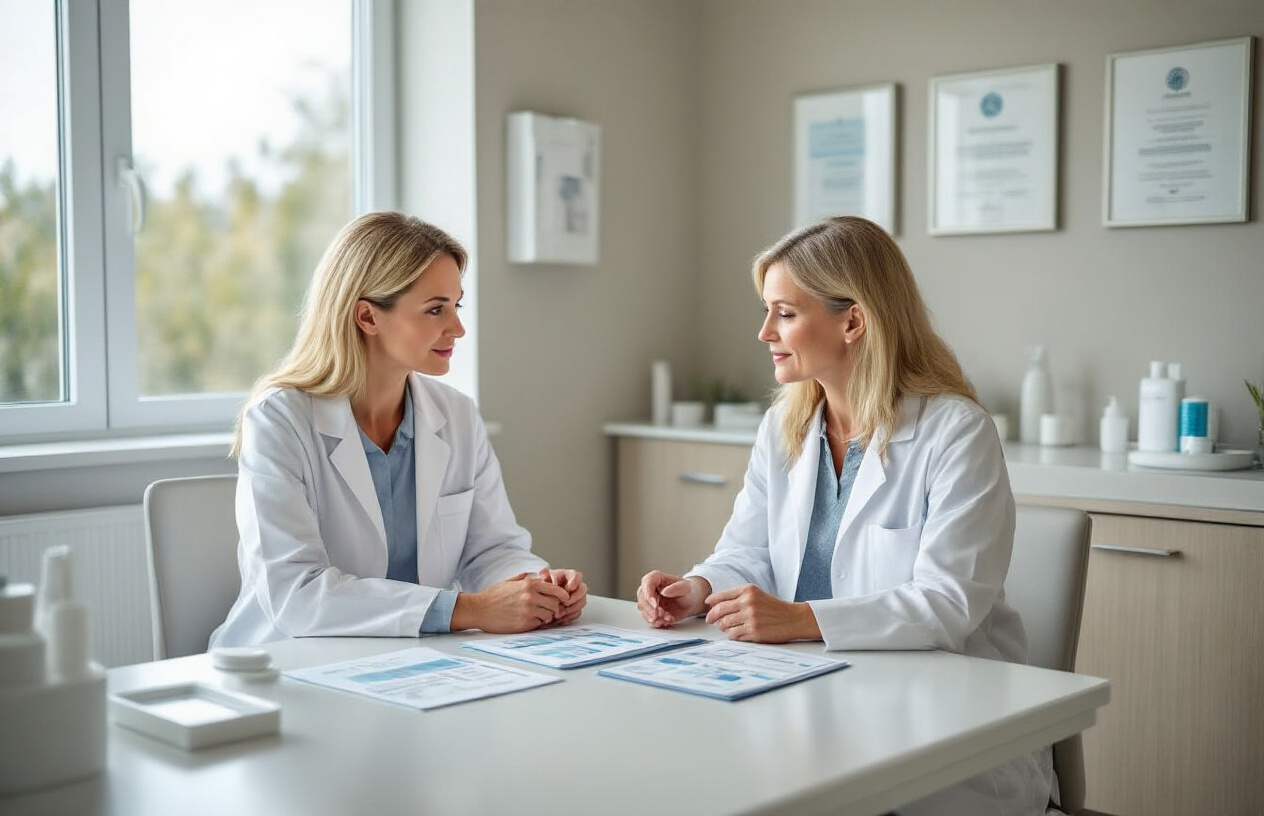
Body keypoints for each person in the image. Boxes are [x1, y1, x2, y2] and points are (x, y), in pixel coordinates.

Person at [635, 216, 1052, 816]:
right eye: (766, 311)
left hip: (932, 721)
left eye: (784, 313)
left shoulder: (955, 432)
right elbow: (749, 550)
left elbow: (949, 603)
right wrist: (699, 588)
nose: (764, 333)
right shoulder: (786, 425)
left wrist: (799, 619)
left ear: (852, 320)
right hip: (806, 696)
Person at [211, 212, 586, 647]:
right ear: (368, 318)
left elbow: (493, 549)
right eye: (434, 310)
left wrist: (536, 586)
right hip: (289, 660)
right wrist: (470, 609)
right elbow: (298, 593)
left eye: (456, 305)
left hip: (411, 660)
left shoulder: (457, 416)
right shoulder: (279, 420)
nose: (458, 328)